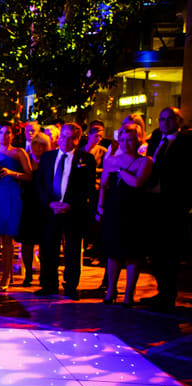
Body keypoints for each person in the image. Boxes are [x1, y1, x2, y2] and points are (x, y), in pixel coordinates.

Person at [36, 122, 96, 299]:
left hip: (72, 211)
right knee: (48, 248)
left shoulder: (86, 159)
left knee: (72, 249)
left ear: (77, 139)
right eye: (63, 137)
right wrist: (49, 203)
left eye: (70, 138)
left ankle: (70, 286)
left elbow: (89, 188)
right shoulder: (47, 157)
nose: (65, 141)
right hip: (51, 210)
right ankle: (49, 284)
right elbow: (39, 184)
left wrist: (71, 204)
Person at [142, 107, 191, 312]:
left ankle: (168, 296)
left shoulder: (186, 142)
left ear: (178, 121)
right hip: (153, 202)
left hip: (173, 204)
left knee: (170, 253)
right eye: (162, 119)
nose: (165, 123)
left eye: (170, 119)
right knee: (155, 252)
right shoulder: (155, 140)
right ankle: (161, 292)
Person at [98, 124, 152, 307]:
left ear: (138, 140)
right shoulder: (110, 160)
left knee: (133, 253)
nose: (125, 143)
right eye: (122, 140)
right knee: (113, 252)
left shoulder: (145, 161)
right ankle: (111, 290)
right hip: (114, 208)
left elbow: (137, 182)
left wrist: (121, 170)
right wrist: (100, 207)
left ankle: (129, 293)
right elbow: (104, 185)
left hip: (134, 210)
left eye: (130, 140)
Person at [0, 123, 32, 290]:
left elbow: (29, 175)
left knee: (8, 237)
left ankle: (6, 277)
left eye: (8, 132)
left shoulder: (19, 152)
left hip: (11, 195)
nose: (4, 135)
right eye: (1, 132)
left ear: (13, 135)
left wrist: (12, 173)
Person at [17, 132, 51, 287]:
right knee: (27, 241)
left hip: (44, 205)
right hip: (28, 204)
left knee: (45, 241)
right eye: (35, 144)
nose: (38, 148)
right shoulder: (26, 160)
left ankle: (44, 274)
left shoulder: (50, 161)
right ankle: (28, 274)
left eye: (42, 145)